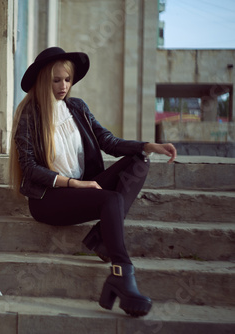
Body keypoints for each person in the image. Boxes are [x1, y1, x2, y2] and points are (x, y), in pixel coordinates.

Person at [9, 47, 177, 317]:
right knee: (111, 199)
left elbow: (108, 141)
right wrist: (74, 184)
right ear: (43, 80)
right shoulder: (30, 114)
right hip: (49, 199)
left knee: (139, 160)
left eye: (67, 79)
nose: (64, 86)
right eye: (56, 80)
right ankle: (121, 273)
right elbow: (29, 169)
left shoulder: (77, 107)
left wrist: (149, 145)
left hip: (82, 188)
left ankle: (101, 238)